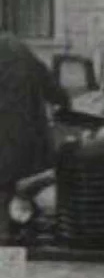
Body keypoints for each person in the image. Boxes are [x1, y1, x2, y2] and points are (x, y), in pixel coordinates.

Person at [0, 33, 70, 244]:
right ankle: (22, 231)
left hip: (5, 136)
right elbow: (50, 85)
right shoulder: (18, 47)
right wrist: (65, 104)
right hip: (30, 137)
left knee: (6, 189)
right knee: (22, 188)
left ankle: (7, 237)